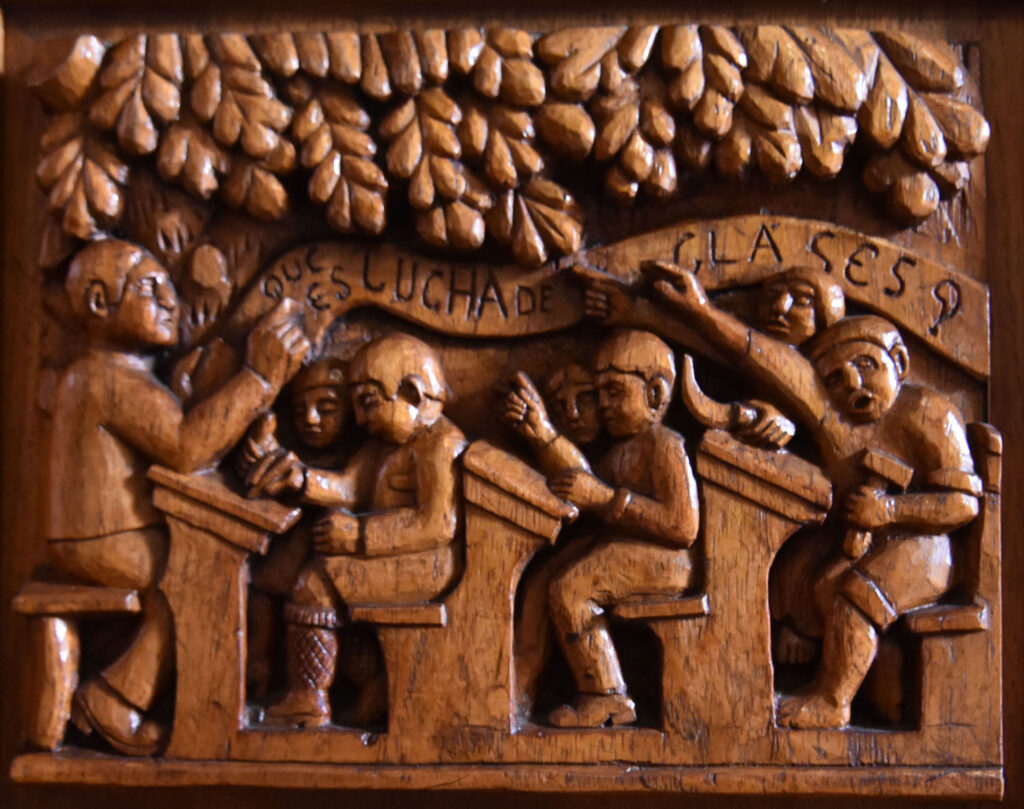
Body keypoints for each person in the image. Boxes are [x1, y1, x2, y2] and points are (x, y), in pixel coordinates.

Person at [653, 269, 981, 728]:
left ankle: (833, 699)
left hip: (928, 545)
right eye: (836, 379)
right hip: (862, 534)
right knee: (795, 578)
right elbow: (756, 353)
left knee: (856, 595)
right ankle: (866, 675)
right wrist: (697, 311)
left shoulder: (929, 413)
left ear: (900, 361)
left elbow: (963, 504)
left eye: (866, 365)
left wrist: (890, 510)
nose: (853, 383)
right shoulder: (834, 419)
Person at [46, 239, 310, 754]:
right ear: (99, 302)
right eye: (149, 287)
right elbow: (186, 448)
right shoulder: (107, 377)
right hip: (99, 540)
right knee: (195, 578)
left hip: (118, 533)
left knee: (200, 568)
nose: (170, 300)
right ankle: (117, 700)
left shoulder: (119, 374)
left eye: (169, 287)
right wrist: (259, 379)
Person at [246, 334, 468, 728]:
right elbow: (349, 487)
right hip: (407, 558)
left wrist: (359, 535)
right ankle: (372, 682)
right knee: (324, 577)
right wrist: (299, 479)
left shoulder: (440, 444)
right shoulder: (386, 444)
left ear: (411, 393)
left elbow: (437, 523)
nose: (361, 420)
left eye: (368, 402)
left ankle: (308, 699)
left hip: (431, 564)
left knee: (316, 584)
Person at [541, 330, 700, 728]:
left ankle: (606, 696)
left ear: (655, 395)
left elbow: (683, 525)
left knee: (572, 588)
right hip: (630, 553)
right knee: (557, 575)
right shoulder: (617, 452)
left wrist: (604, 498)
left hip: (669, 562)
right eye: (599, 394)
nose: (604, 405)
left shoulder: (664, 445)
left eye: (614, 391)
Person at [581, 263, 844, 448]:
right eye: (773, 294)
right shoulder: (741, 352)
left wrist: (701, 311)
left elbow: (783, 370)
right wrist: (637, 311)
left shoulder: (827, 381)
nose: (779, 306)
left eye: (803, 300)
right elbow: (724, 350)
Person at [241, 360, 349, 697]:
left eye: (326, 408)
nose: (310, 419)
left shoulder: (366, 456)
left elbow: (351, 487)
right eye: (300, 410)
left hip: (343, 564)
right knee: (265, 582)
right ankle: (258, 662)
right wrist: (258, 456)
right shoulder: (296, 454)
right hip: (297, 556)